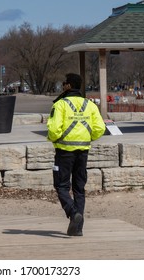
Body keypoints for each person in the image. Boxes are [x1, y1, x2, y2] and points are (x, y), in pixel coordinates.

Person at [47, 73, 105, 237]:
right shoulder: (90, 105)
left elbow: (53, 129)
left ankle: (73, 214)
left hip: (64, 152)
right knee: (79, 189)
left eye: (64, 83)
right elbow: (100, 128)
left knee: (61, 186)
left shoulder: (60, 105)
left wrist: (55, 139)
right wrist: (88, 138)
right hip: (83, 151)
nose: (63, 85)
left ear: (69, 86)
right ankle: (77, 228)